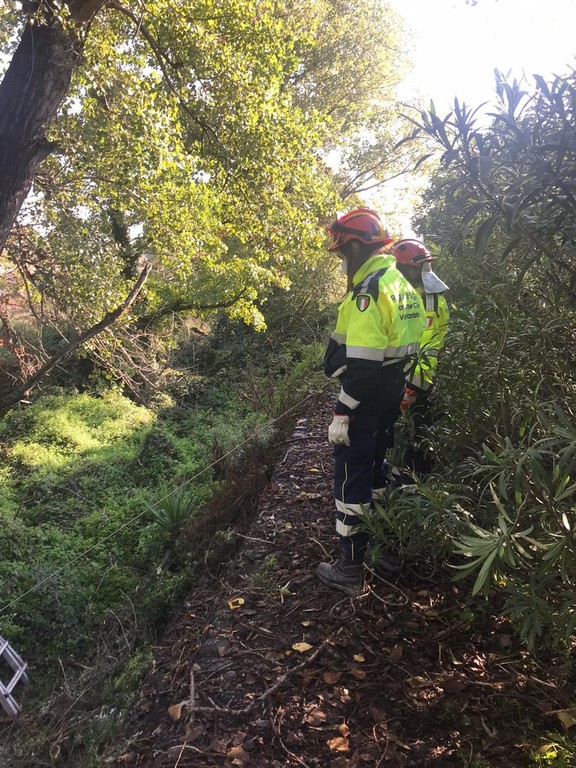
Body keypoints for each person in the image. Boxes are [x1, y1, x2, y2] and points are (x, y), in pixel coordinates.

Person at [318, 209, 426, 596]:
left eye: (341, 253)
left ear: (354, 246)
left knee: (352, 473)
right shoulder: (397, 281)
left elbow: (363, 367)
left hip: (369, 392)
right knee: (378, 466)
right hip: (393, 386)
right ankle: (386, 549)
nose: (341, 261)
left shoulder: (369, 290)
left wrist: (342, 412)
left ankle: (349, 567)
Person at [391, 239, 449, 474]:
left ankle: (417, 481)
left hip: (421, 379)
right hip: (408, 375)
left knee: (418, 430)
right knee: (404, 430)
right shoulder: (411, 294)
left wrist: (412, 387)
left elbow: (429, 346)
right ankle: (402, 473)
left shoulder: (429, 300)